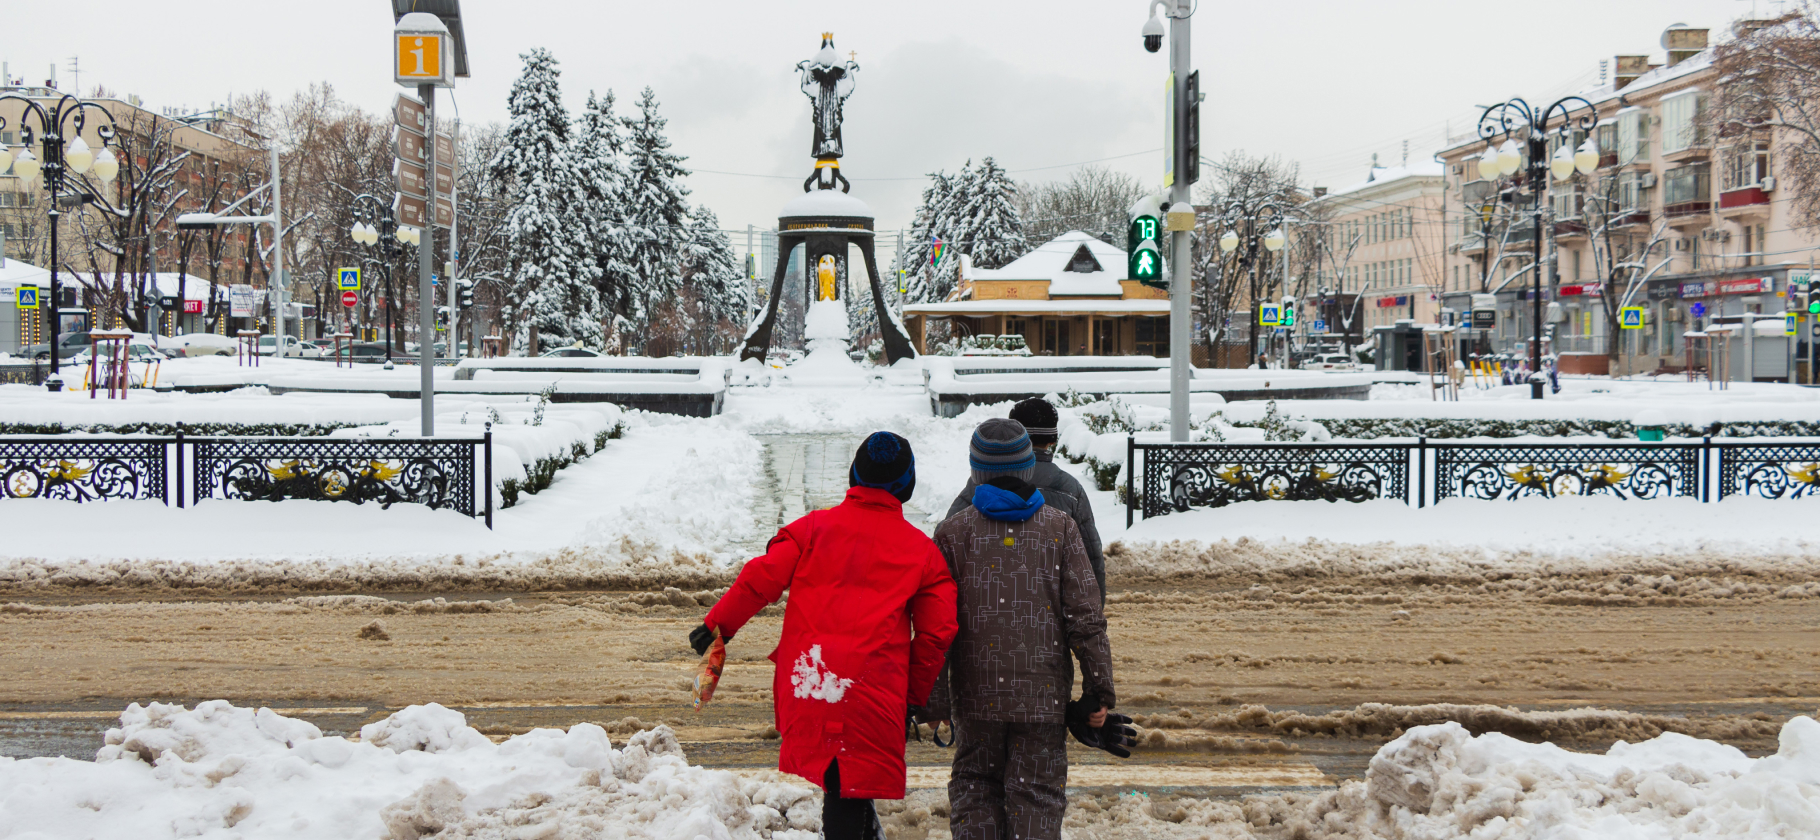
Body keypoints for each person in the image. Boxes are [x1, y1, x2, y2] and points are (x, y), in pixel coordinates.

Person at [693, 431, 957, 840]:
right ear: (908, 485)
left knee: (843, 784)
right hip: (874, 690)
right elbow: (936, 633)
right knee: (847, 789)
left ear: (853, 474)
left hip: (808, 679)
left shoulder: (812, 529)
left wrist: (718, 625)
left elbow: (760, 579)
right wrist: (912, 695)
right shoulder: (923, 553)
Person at [928, 419, 1128, 840]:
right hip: (1042, 699)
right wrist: (1099, 691)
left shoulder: (952, 533)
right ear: (1026, 469)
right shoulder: (1059, 529)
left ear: (976, 472)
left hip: (975, 696)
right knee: (1036, 794)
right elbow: (1086, 619)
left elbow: (936, 625)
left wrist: (935, 700)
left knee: (975, 788)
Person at [945, 397, 1105, 601]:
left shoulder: (979, 487)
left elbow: (945, 553)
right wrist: (1095, 607)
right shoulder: (1070, 489)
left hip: (982, 610)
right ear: (1053, 440)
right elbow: (1090, 558)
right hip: (1050, 616)